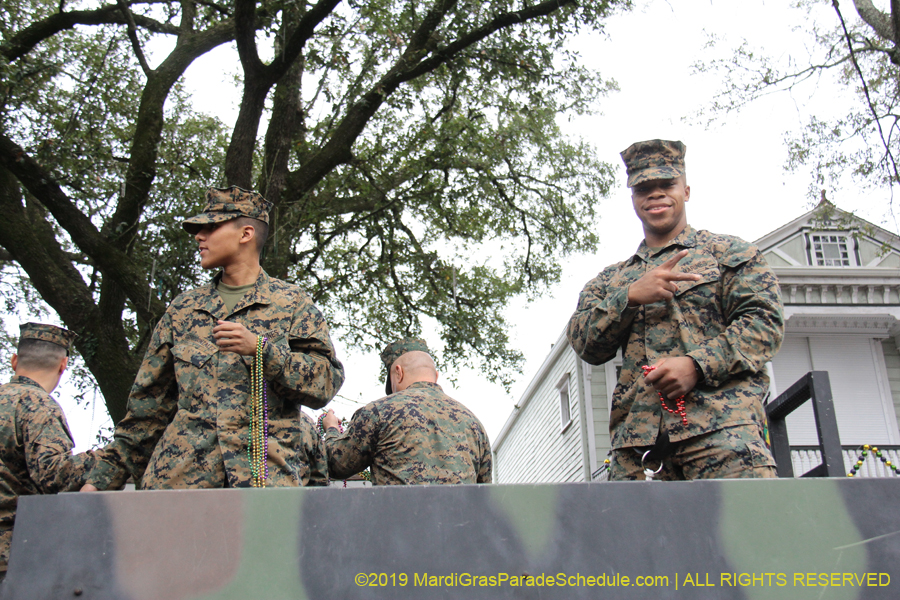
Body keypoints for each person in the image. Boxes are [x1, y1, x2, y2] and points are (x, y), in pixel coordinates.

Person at [82, 185, 342, 490]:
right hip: (180, 487)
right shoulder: (183, 309)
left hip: (263, 487)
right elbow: (146, 412)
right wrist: (100, 481)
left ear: (246, 234)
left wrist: (263, 352)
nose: (199, 237)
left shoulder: (292, 303)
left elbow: (325, 381)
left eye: (211, 227)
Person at [567, 139, 784, 481]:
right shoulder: (611, 280)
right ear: (633, 198)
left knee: (750, 533)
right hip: (639, 453)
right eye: (643, 188)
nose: (655, 195)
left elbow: (764, 325)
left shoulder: (729, 254)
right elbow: (585, 343)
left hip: (723, 436)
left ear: (686, 190)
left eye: (666, 184)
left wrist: (697, 365)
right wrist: (630, 297)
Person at [322, 339, 492, 485]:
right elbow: (484, 494)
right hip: (460, 522)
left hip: (399, 522)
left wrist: (331, 429)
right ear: (436, 376)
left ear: (398, 373)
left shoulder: (379, 412)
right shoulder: (474, 425)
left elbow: (336, 464)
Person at [0, 323, 94, 578]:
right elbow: (55, 478)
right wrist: (103, 460)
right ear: (63, 365)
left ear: (14, 360)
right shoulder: (39, 407)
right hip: (13, 558)